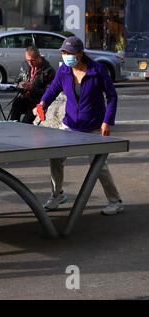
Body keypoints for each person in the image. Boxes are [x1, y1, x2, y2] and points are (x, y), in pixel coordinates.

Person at [35, 36, 124, 216]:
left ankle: (115, 201)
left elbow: (112, 96)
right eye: (64, 52)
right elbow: (53, 89)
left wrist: (107, 121)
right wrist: (42, 103)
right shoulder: (64, 71)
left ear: (80, 53)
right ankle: (57, 195)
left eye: (69, 53)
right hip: (69, 125)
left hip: (93, 127)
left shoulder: (97, 70)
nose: (66, 56)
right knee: (55, 158)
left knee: (99, 166)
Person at [9, 46, 55, 124]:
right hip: (24, 99)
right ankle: (13, 126)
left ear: (39, 57)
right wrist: (19, 85)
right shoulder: (25, 65)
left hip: (37, 103)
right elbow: (18, 79)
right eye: (28, 60)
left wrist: (32, 88)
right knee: (16, 104)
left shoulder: (49, 71)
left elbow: (49, 93)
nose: (30, 63)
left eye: (32, 60)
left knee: (25, 124)